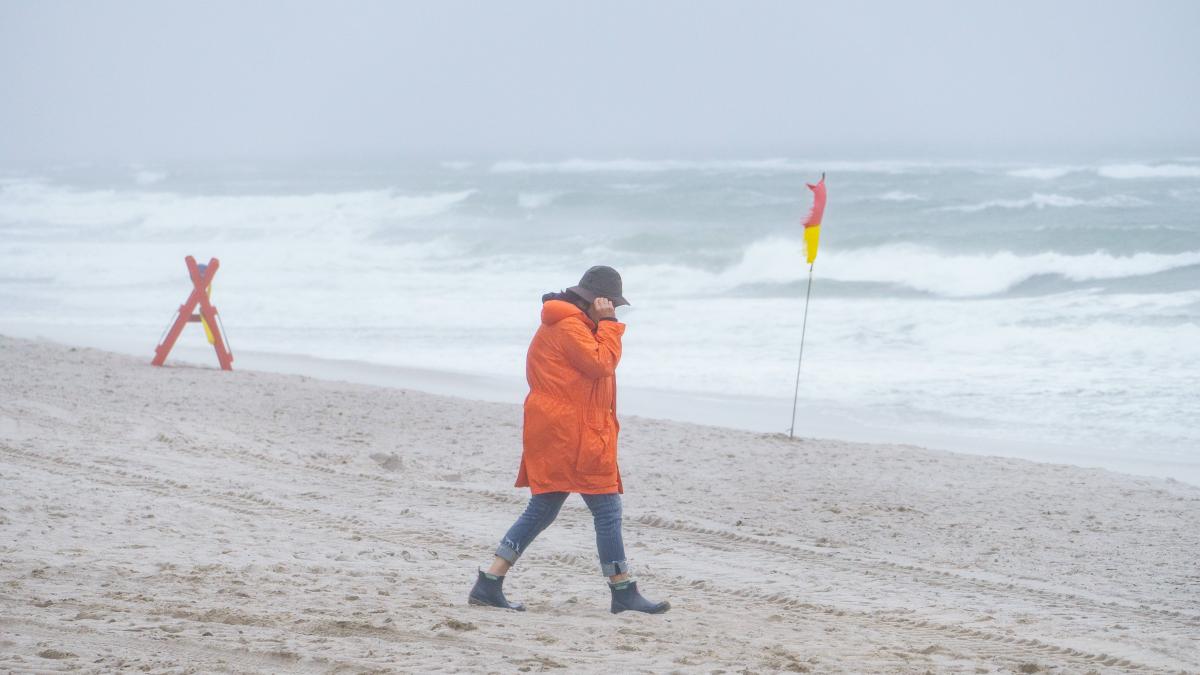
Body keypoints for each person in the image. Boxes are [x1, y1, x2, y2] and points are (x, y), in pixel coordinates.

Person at [468, 265, 670, 614]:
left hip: (560, 430)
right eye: (612, 306)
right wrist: (609, 326)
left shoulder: (566, 323)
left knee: (544, 508)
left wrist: (602, 325)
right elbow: (601, 364)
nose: (615, 312)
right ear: (598, 301)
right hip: (572, 434)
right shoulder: (571, 326)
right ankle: (622, 590)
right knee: (606, 510)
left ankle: (489, 581)